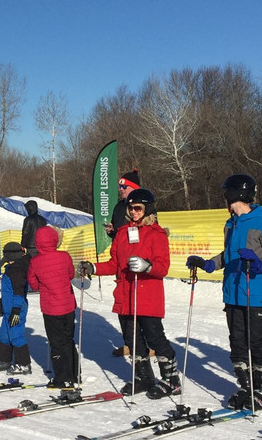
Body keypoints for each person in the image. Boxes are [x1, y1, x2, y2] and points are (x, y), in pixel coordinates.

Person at [186, 174, 262, 411]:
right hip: (233, 292)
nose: (224, 197)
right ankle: (247, 387)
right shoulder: (231, 224)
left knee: (259, 342)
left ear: (236, 194)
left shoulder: (261, 222)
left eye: (226, 192)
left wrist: (260, 264)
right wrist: (209, 263)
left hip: (256, 291)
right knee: (238, 343)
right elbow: (229, 254)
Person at [80, 187, 180, 399]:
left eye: (138, 208)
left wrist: (147, 266)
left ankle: (171, 380)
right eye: (131, 208)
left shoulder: (157, 234)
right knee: (132, 339)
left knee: (155, 337)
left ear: (148, 210)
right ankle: (144, 377)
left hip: (147, 295)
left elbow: (163, 267)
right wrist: (94, 268)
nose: (133, 212)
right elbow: (114, 264)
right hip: (126, 296)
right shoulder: (123, 233)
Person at [28, 226, 81, 394]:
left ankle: (63, 378)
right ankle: (75, 373)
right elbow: (71, 274)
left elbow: (33, 283)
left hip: (51, 308)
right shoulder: (64, 256)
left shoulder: (35, 262)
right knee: (68, 339)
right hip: (67, 305)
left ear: (37, 243)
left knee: (57, 343)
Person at [0, 241, 32, 375]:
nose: (6, 263)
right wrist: (1, 303)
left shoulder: (17, 270)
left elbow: (19, 291)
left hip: (16, 308)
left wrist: (16, 310)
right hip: (9, 307)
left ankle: (24, 364)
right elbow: (9, 290)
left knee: (16, 336)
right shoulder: (12, 268)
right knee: (5, 335)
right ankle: (4, 360)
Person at [105, 169, 141, 236]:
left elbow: (151, 230)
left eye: (124, 186)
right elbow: (115, 228)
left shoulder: (144, 205)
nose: (121, 189)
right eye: (120, 186)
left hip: (136, 245)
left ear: (134, 187)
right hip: (119, 245)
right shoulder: (119, 206)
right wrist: (111, 230)